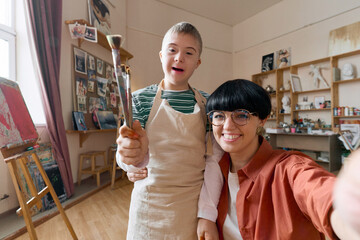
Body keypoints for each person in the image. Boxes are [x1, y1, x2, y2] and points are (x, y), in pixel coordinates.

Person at [198, 79, 360, 240]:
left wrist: (349, 216)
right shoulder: (214, 170)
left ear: (262, 119)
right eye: (219, 116)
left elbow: (323, 197)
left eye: (241, 115)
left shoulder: (289, 169)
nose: (227, 126)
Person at [116, 22, 223, 239]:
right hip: (148, 206)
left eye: (188, 53)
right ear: (161, 55)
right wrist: (128, 158)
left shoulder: (208, 103)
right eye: (172, 50)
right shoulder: (139, 99)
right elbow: (126, 154)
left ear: (197, 63)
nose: (179, 57)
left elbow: (213, 160)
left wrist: (207, 214)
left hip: (191, 207)